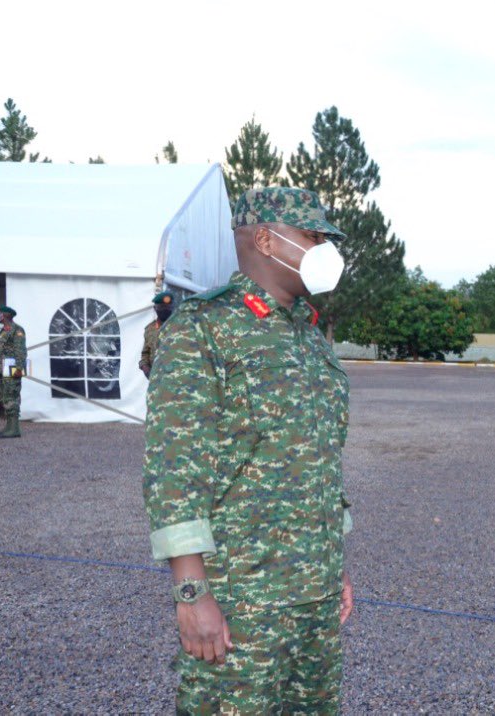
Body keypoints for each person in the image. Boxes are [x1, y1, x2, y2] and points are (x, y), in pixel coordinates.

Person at [143, 187, 356, 714]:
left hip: (316, 594)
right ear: (265, 239)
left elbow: (318, 457)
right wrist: (191, 595)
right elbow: (175, 469)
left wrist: (337, 566)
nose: (325, 249)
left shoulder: (308, 335)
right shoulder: (204, 328)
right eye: (313, 237)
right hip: (243, 600)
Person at [0, 305, 27, 439]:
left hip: (12, 369)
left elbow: (20, 350)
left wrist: (20, 368)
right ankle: (9, 427)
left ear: (6, 315)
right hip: (2, 370)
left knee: (12, 397)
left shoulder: (17, 330)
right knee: (5, 398)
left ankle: (14, 429)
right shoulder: (3, 331)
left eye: (0, 314)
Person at [139, 290, 176, 378]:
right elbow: (145, 353)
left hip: (176, 380)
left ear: (172, 308)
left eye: (167, 307)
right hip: (155, 379)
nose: (164, 310)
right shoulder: (149, 329)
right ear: (155, 308)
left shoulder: (181, 327)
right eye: (161, 307)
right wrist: (145, 367)